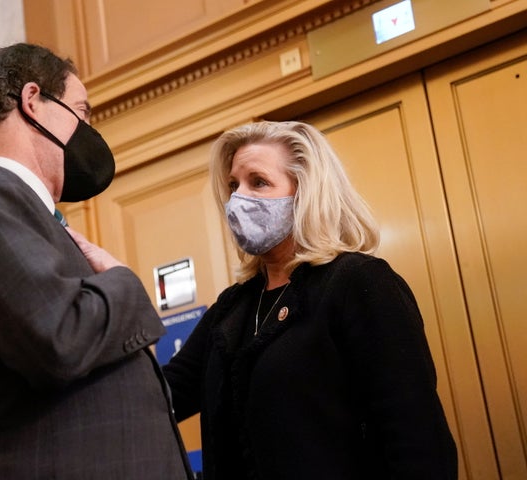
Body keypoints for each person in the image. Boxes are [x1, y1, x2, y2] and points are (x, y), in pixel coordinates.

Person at [0, 43, 192, 480]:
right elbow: (60, 337)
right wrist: (124, 283)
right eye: (81, 111)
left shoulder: (21, 210)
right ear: (33, 101)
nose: (88, 128)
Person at [160, 121, 458, 479]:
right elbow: (162, 396)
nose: (238, 200)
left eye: (258, 182)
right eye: (232, 186)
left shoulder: (357, 282)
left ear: (306, 192)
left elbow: (417, 438)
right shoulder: (233, 306)